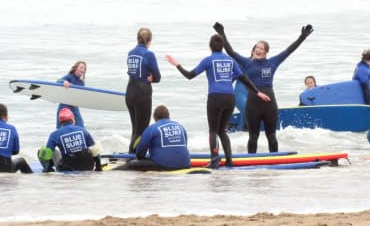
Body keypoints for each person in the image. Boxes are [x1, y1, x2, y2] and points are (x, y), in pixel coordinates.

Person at [166, 34, 270, 168]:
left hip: (215, 97)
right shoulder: (230, 60)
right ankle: (229, 161)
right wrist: (258, 92)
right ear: (222, 47)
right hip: (230, 98)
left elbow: (190, 75)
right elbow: (243, 78)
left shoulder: (208, 60)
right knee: (222, 131)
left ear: (210, 46)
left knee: (213, 130)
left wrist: (177, 64)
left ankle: (214, 160)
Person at [214, 22, 313, 154]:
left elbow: (289, 50)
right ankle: (252, 166)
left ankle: (274, 165)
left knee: (271, 136)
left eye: (261, 48)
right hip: (253, 104)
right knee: (253, 137)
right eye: (257, 47)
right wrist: (222, 34)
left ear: (266, 51)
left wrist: (302, 37)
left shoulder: (272, 62)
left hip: (269, 104)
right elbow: (231, 52)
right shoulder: (247, 63)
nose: (258, 49)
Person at [114, 105, 191, 171]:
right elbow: (184, 145)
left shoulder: (152, 128)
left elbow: (140, 152)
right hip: (186, 164)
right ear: (168, 116)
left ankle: (107, 173)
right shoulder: (180, 126)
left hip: (163, 166)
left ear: (154, 117)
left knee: (130, 165)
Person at [126, 28, 161, 153]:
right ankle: (134, 155)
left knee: (135, 129)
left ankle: (132, 154)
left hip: (130, 92)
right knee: (142, 130)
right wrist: (153, 78)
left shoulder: (130, 53)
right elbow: (157, 76)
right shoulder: (149, 54)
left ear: (137, 38)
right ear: (150, 40)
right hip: (142, 94)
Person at [38, 107, 102, 172]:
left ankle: (49, 170)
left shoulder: (54, 134)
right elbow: (95, 150)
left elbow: (47, 155)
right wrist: (98, 168)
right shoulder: (83, 130)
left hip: (67, 168)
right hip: (87, 167)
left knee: (43, 151)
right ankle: (98, 168)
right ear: (73, 119)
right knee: (95, 147)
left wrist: (46, 170)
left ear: (60, 121)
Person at [56, 60, 87, 128]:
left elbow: (81, 95)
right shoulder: (69, 77)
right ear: (76, 68)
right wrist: (64, 82)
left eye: (84, 69)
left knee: (81, 127)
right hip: (64, 105)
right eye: (81, 67)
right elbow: (58, 81)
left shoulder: (81, 83)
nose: (83, 70)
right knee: (60, 128)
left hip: (74, 107)